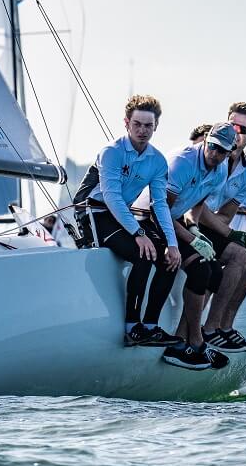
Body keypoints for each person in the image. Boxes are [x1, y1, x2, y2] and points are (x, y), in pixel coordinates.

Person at [74, 95, 183, 348]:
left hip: (120, 215)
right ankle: (132, 328)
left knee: (169, 259)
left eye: (148, 125)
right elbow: (111, 197)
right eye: (137, 124)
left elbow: (160, 203)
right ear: (126, 123)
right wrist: (138, 233)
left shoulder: (157, 160)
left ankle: (151, 327)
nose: (142, 131)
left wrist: (172, 243)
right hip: (94, 213)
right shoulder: (112, 152)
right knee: (144, 253)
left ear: (156, 126)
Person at [140, 122, 235, 370]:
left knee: (215, 273)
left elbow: (196, 206)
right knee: (200, 268)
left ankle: (185, 341)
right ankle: (196, 340)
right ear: (205, 142)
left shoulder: (220, 169)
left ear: (228, 152)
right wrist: (191, 240)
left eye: (222, 151)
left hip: (173, 220)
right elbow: (160, 211)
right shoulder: (183, 162)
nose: (215, 154)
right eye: (212, 147)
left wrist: (194, 228)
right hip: (147, 218)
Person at [196, 103, 246, 352]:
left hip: (211, 225)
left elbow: (225, 216)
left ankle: (222, 326)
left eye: (243, 129)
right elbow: (195, 206)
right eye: (232, 125)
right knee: (240, 251)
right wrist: (228, 234)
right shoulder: (212, 155)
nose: (236, 133)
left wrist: (225, 231)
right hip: (189, 222)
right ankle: (207, 329)